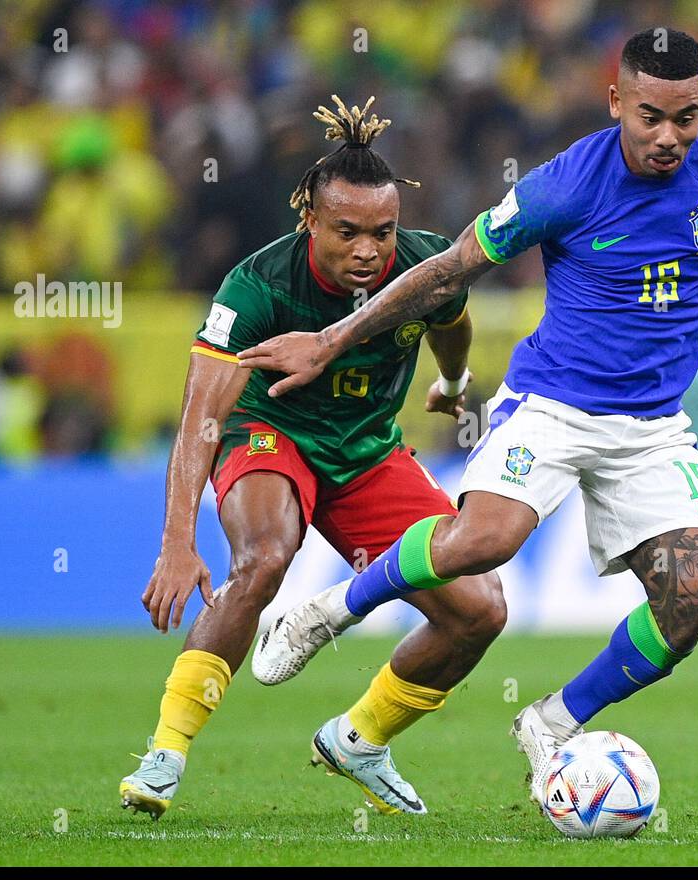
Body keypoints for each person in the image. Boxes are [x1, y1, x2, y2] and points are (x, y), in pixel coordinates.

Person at [239, 32, 698, 802]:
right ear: (616, 102)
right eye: (650, 116)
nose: (668, 136)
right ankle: (324, 613)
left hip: (652, 425)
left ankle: (553, 720)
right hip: (552, 405)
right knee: (486, 539)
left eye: (686, 117)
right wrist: (334, 337)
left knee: (694, 595)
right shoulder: (565, 185)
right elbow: (447, 272)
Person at [120, 98, 506, 819]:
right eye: (348, 232)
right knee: (266, 555)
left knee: (479, 610)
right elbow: (202, 417)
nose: (368, 250)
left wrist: (453, 383)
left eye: (382, 232)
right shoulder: (256, 287)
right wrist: (177, 542)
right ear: (311, 222)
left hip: (366, 452)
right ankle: (167, 751)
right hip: (271, 433)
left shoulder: (424, 265)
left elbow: (452, 324)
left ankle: (360, 739)